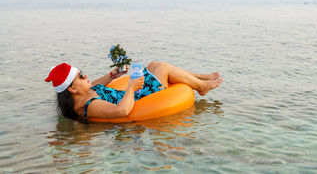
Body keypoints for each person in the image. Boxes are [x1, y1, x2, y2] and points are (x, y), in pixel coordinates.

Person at [45, 61, 223, 121]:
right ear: (73, 88)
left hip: (132, 94)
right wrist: (131, 87)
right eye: (81, 76)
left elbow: (96, 84)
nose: (86, 76)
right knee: (161, 67)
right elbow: (121, 110)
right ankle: (201, 86)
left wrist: (112, 75)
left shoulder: (83, 92)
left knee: (153, 65)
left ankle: (201, 77)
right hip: (138, 99)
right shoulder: (88, 106)